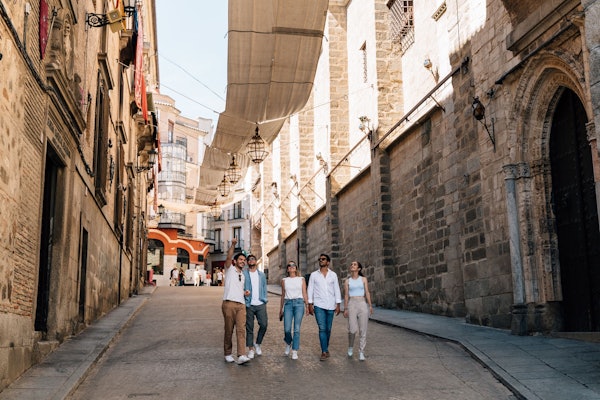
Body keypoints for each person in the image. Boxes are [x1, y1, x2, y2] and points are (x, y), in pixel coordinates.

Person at [222, 238, 251, 365]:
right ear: (235, 261)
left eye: (244, 260)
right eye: (240, 259)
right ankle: (228, 353)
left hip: (241, 304)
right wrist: (233, 245)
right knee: (229, 330)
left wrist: (244, 293)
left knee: (241, 330)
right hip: (228, 303)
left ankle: (241, 355)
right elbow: (228, 257)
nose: (243, 262)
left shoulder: (243, 275)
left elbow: (238, 288)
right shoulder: (229, 269)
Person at [307, 253, 342, 361]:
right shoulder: (314, 275)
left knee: (328, 329)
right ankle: (323, 351)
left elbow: (336, 289)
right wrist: (310, 304)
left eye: (323, 259)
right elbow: (310, 289)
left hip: (331, 305)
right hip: (319, 305)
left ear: (328, 262)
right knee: (322, 328)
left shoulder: (333, 275)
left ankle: (326, 348)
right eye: (320, 259)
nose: (321, 260)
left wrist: (338, 304)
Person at [343, 261, 373, 361]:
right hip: (352, 303)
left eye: (354, 264)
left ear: (359, 268)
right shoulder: (347, 281)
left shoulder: (363, 279)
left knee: (363, 329)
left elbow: (367, 292)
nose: (352, 265)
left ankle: (361, 352)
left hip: (362, 303)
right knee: (352, 329)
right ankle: (350, 347)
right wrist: (345, 308)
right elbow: (346, 295)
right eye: (351, 264)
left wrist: (370, 305)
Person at [279, 261, 308, 360]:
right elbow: (283, 295)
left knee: (296, 329)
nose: (291, 267)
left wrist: (307, 305)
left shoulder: (301, 279)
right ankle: (288, 342)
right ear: (287, 269)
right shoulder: (284, 280)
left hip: (299, 304)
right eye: (289, 266)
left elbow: (304, 293)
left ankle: (295, 350)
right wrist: (280, 309)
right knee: (287, 329)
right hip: (288, 304)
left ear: (296, 268)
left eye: (293, 265)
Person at [243, 254, 268, 359]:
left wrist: (264, 298)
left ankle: (257, 343)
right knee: (249, 328)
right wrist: (244, 293)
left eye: (253, 259)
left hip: (260, 303)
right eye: (249, 259)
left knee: (264, 325)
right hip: (249, 304)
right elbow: (240, 286)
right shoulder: (244, 274)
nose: (251, 260)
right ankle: (251, 350)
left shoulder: (261, 275)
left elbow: (264, 287)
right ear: (247, 262)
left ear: (256, 261)